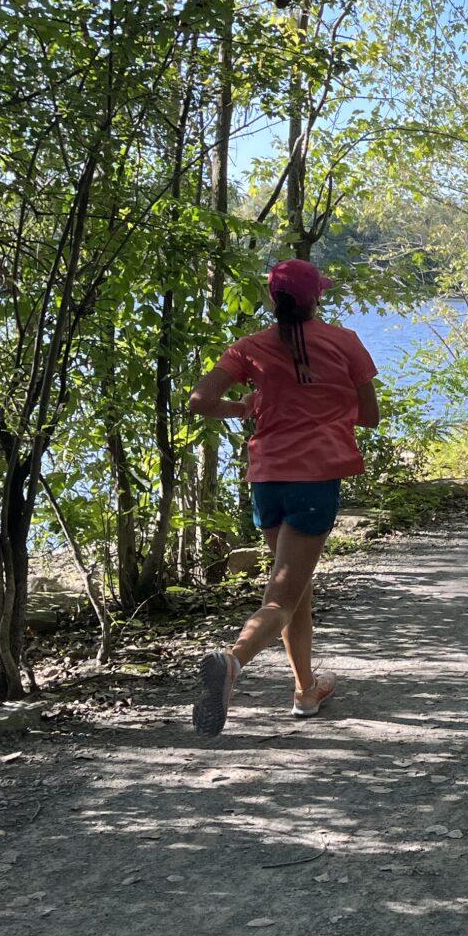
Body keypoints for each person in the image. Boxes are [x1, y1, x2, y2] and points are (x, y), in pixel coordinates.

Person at [186, 258, 379, 734]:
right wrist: (327, 411)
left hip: (267, 478)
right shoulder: (343, 342)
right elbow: (370, 415)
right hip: (314, 479)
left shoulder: (249, 347)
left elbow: (199, 400)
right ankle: (232, 661)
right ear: (317, 298)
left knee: (295, 589)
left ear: (273, 299)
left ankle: (305, 691)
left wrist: (244, 405)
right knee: (281, 597)